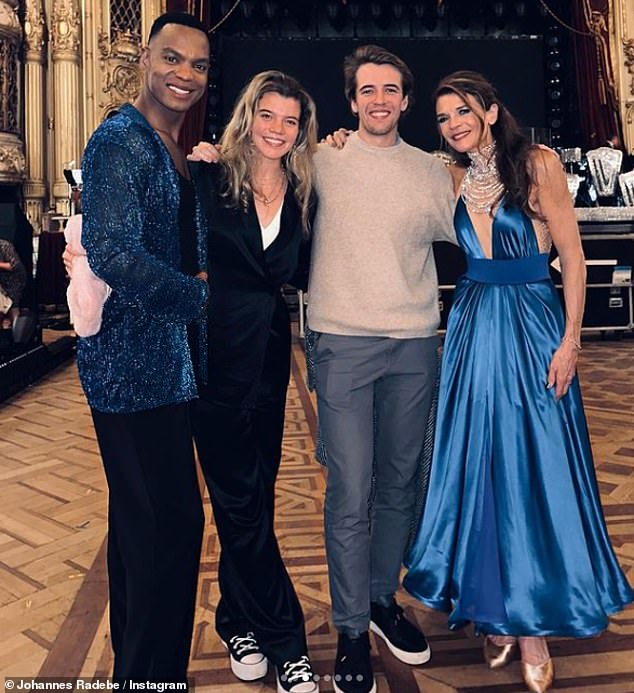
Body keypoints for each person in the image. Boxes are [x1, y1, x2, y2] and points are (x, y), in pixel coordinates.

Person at [403, 71, 634, 693]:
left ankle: (530, 625)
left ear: (490, 108)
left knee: (534, 465)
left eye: (463, 111)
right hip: (474, 325)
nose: (453, 123)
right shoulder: (445, 174)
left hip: (533, 323)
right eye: (444, 115)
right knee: (481, 466)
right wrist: (337, 141)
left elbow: (574, 256)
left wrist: (571, 339)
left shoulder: (537, 164)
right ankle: (493, 609)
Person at [308, 45, 455, 693]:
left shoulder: (432, 170)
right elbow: (253, 180)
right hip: (342, 343)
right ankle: (347, 630)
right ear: (350, 100)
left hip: (415, 342)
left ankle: (378, 598)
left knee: (401, 482)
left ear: (406, 99)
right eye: (367, 90)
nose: (378, 100)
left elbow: (487, 224)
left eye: (390, 89)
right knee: (351, 489)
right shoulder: (323, 158)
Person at [72, 12, 210, 684]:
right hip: (130, 371)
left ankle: (141, 672)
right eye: (172, 58)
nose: (184, 73)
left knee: (142, 533)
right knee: (167, 532)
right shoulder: (118, 141)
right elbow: (115, 253)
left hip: (166, 370)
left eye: (198, 64)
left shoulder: (170, 145)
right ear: (144, 60)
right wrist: (196, 295)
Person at [188, 71, 319, 693]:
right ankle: (287, 641)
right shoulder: (207, 177)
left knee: (256, 499)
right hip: (212, 364)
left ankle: (236, 621)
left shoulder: (302, 190)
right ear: (248, 116)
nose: (277, 129)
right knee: (240, 505)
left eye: (289, 121)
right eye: (267, 115)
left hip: (269, 365)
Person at [0, 238, 26, 328]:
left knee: (12, 305)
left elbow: (14, 265)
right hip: (2, 283)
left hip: (14, 279)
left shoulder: (4, 246)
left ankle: (18, 333)